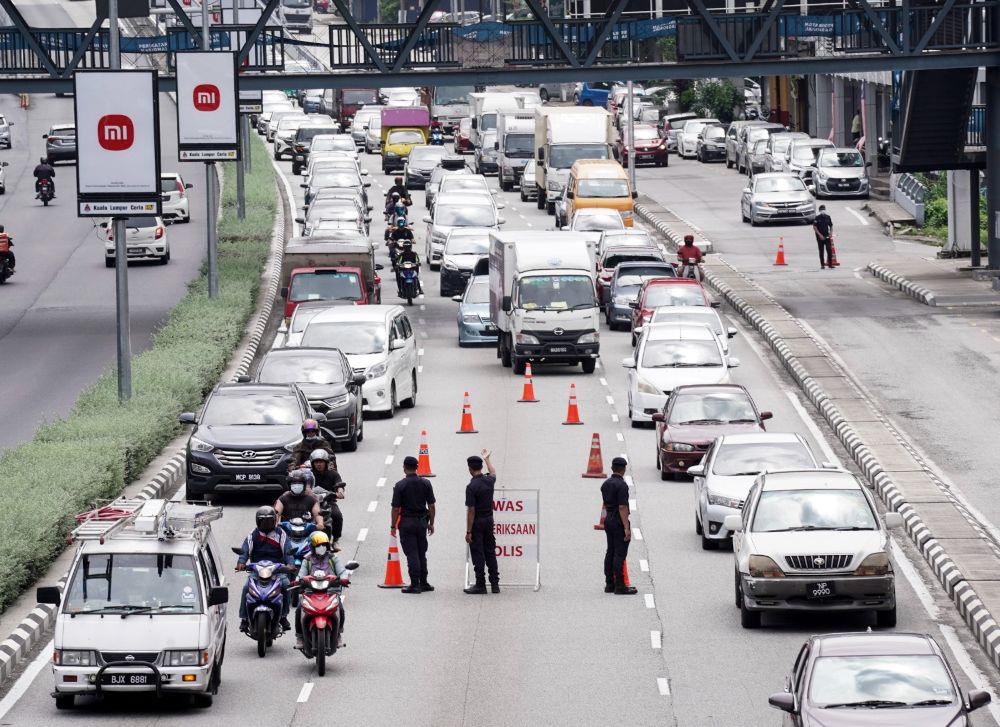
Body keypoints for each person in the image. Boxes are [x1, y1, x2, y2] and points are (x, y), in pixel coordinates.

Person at [236, 506, 295, 632]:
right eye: (263, 521)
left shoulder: (281, 534)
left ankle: (283, 616)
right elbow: (245, 549)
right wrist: (241, 562)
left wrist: (290, 564)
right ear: (258, 521)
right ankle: (244, 618)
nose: (266, 523)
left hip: (277, 569)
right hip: (257, 570)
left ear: (274, 520)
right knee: (246, 587)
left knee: (286, 585)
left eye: (269, 520)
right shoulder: (253, 534)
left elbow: (288, 551)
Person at [294, 531, 349, 649]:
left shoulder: (333, 559)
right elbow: (301, 574)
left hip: (330, 591)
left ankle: (338, 633)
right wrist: (298, 580)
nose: (321, 547)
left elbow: (342, 572)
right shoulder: (307, 560)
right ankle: (299, 636)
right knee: (299, 609)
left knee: (341, 609)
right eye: (318, 545)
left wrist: (343, 578)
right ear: (312, 547)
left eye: (324, 544)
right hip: (310, 592)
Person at [390, 455, 436, 594]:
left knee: (412, 553)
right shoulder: (426, 483)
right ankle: (424, 582)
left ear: (404, 467)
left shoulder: (400, 485)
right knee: (422, 552)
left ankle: (415, 583)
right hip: (422, 522)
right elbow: (432, 505)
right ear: (417, 467)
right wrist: (431, 523)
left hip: (407, 523)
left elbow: (396, 508)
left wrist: (393, 526)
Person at [464, 449, 499, 595]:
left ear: (470, 469)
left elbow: (471, 510)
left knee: (478, 552)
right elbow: (493, 473)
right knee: (490, 551)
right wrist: (487, 459)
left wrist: (469, 531)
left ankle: (480, 584)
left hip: (477, 522)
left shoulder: (471, 487)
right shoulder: (489, 481)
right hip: (489, 519)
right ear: (481, 467)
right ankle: (495, 584)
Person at [601, 457, 636, 595]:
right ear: (624, 469)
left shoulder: (606, 484)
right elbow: (622, 507)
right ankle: (620, 585)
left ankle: (609, 583)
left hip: (608, 520)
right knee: (620, 554)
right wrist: (626, 527)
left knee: (610, 551)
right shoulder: (622, 485)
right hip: (617, 521)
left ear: (612, 468)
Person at [309, 449, 345, 543]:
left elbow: (339, 484)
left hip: (328, 502)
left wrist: (339, 492)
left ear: (326, 463)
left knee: (337, 516)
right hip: (311, 502)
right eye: (316, 462)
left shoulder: (333, 474)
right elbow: (304, 485)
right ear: (313, 463)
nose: (319, 464)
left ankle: (336, 540)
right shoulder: (308, 474)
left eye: (321, 462)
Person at [813, 204, 834, 269]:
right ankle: (822, 264)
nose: (823, 211)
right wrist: (819, 235)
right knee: (821, 250)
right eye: (822, 210)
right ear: (819, 211)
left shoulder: (828, 217)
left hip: (826, 236)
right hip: (820, 237)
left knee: (829, 249)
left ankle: (830, 264)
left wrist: (830, 233)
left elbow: (831, 226)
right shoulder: (817, 218)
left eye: (824, 209)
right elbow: (814, 227)